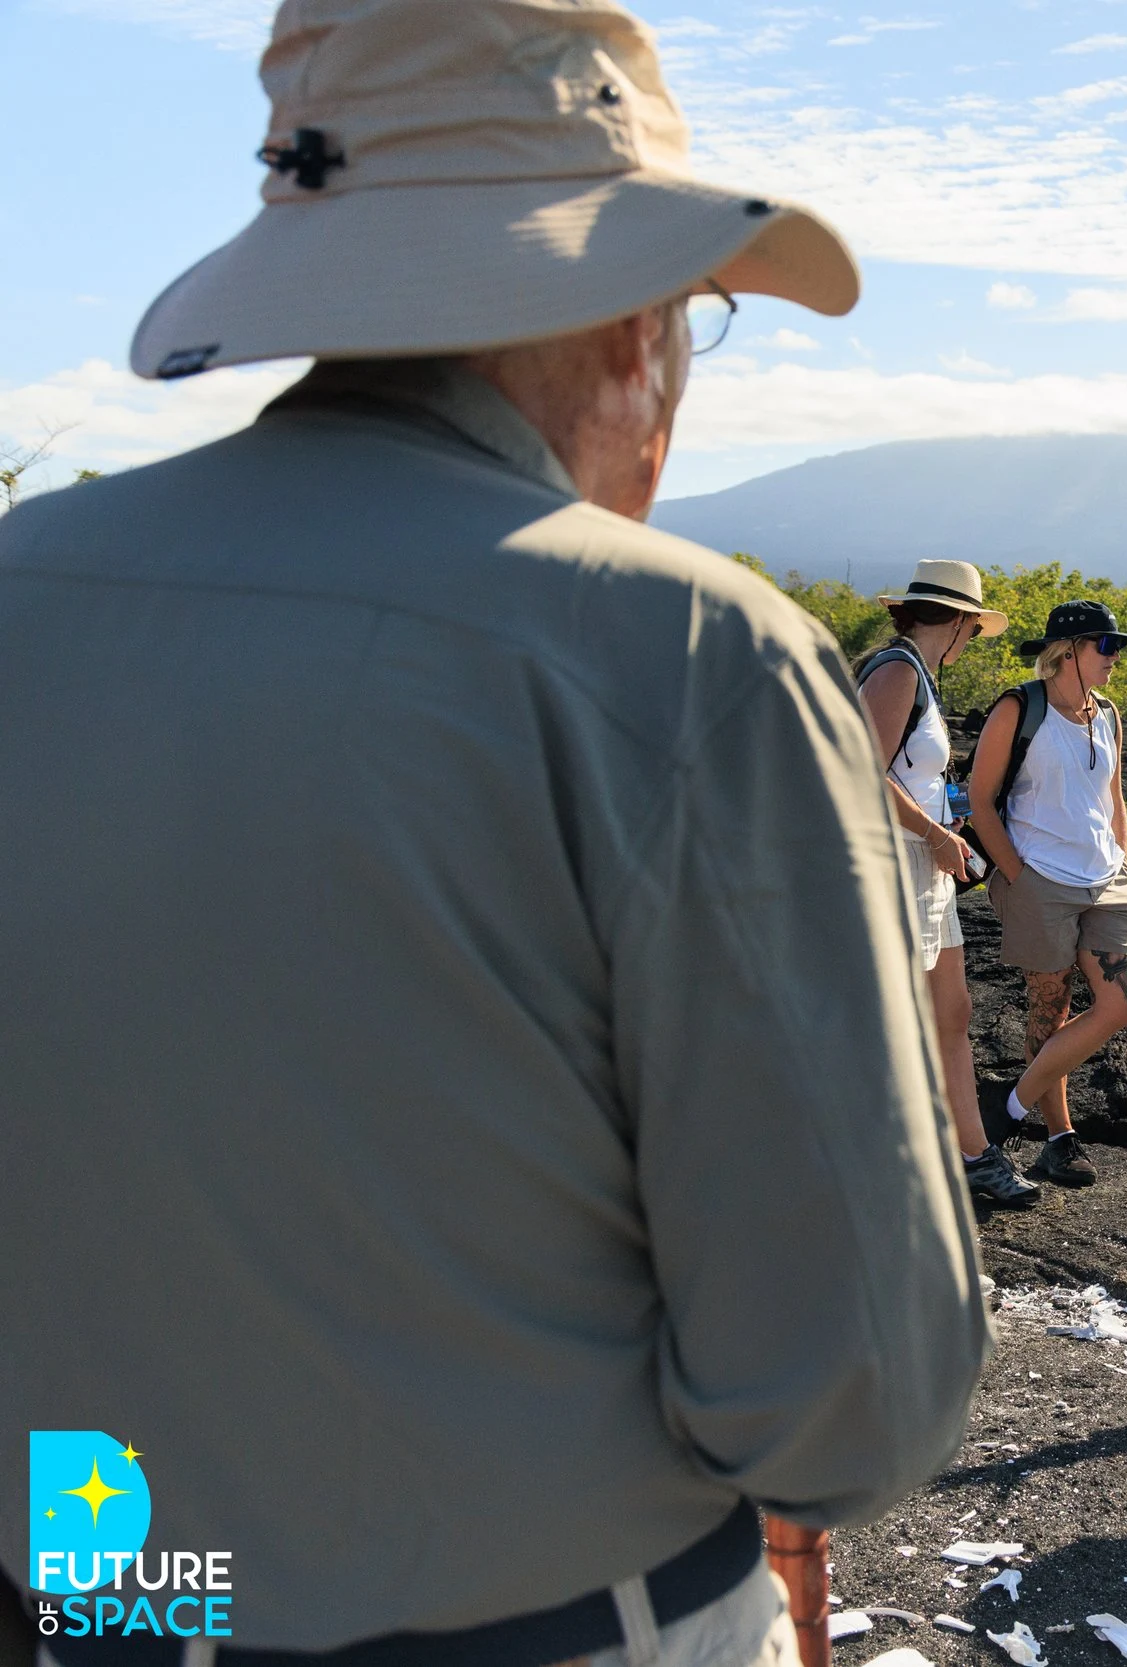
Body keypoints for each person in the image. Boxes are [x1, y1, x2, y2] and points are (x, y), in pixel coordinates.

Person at [0, 0, 989, 1660]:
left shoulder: (27, 594)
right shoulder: (694, 657)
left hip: (98, 1600)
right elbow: (850, 1400)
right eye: (694, 317)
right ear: (631, 327)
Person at [860, 561, 1042, 1208]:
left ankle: (971, 1155)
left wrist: (944, 820)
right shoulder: (899, 672)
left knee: (951, 1010)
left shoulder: (916, 672)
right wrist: (935, 834)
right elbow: (860, 770)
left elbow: (905, 775)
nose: (974, 639)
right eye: (975, 627)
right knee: (895, 1018)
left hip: (924, 861)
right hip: (895, 863)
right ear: (961, 621)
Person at [965, 600, 1127, 1188]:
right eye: (1107, 646)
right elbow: (979, 799)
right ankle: (1059, 1139)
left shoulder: (1107, 713)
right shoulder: (1019, 709)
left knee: (1122, 1005)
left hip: (1105, 880)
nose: (1115, 657)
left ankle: (1007, 1106)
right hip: (1040, 879)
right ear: (1067, 651)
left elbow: (1113, 795)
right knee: (1052, 1008)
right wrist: (1017, 875)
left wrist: (1122, 860)